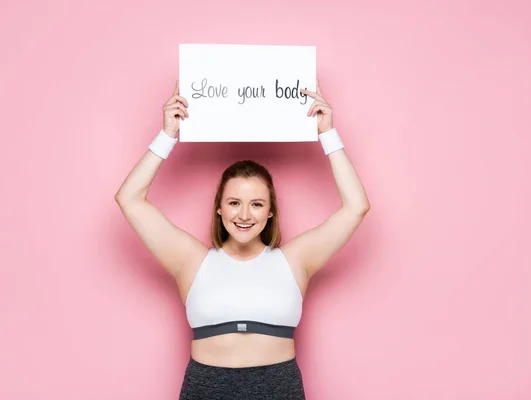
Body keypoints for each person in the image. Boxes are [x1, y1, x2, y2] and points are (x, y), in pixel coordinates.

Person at [114, 79, 370, 399]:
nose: (245, 215)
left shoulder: (296, 260)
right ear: (219, 209)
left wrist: (327, 133)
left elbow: (356, 207)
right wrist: (168, 135)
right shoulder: (191, 261)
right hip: (207, 388)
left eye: (257, 204)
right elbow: (130, 199)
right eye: (234, 202)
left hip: (278, 388)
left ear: (270, 212)